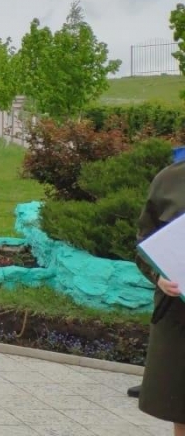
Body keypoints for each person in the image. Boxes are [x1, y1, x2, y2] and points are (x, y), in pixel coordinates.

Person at [136, 159, 185, 435]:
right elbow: (144, 244)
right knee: (181, 406)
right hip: (178, 313)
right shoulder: (169, 180)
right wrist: (159, 276)